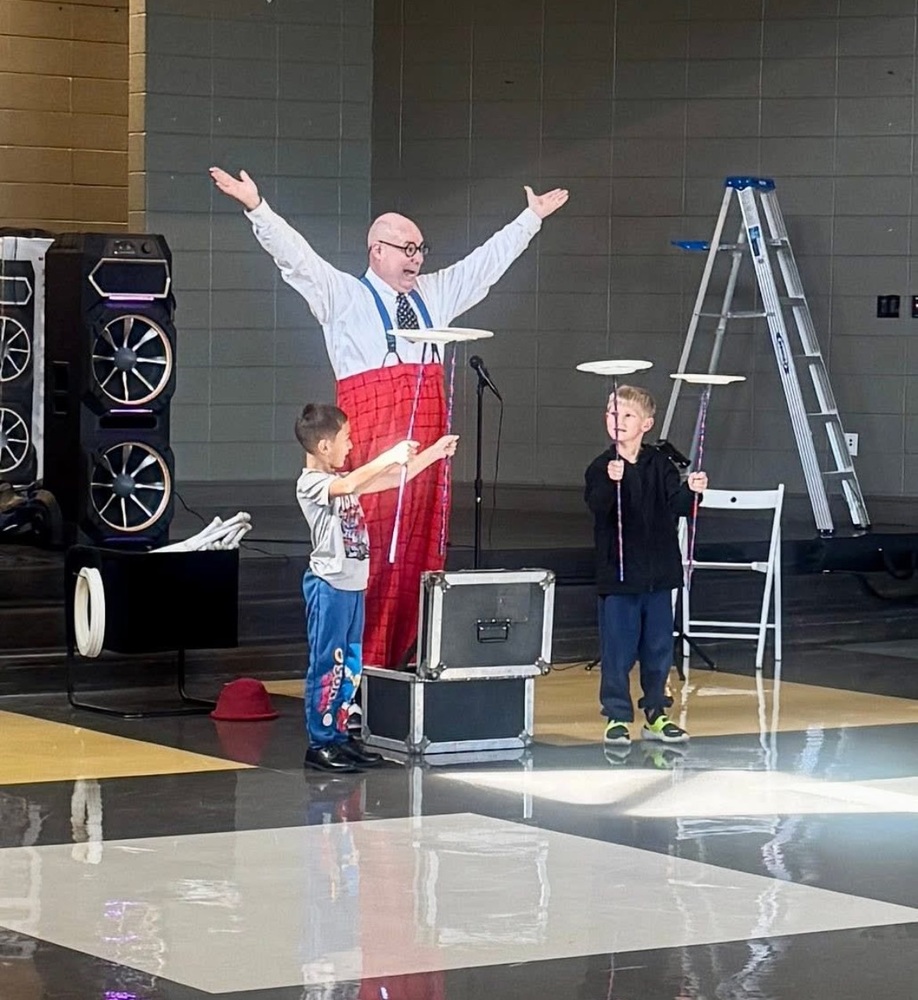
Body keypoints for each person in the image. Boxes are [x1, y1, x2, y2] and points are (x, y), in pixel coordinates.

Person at [209, 165, 568, 670]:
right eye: (407, 249)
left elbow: (485, 265)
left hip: (423, 444)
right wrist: (258, 208)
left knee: (419, 557)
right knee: (369, 556)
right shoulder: (344, 297)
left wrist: (528, 219)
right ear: (377, 250)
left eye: (420, 249)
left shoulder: (434, 296)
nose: (416, 259)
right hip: (371, 439)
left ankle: (400, 663)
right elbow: (296, 260)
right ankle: (355, 670)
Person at [295, 402, 458, 772]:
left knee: (351, 664)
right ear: (324, 446)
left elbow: (392, 479)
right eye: (346, 439)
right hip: (329, 587)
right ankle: (319, 743)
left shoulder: (341, 481)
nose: (351, 446)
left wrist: (433, 453)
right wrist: (388, 454)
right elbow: (350, 483)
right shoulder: (313, 484)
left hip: (353, 587)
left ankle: (339, 736)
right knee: (328, 665)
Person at [583, 385, 707, 748]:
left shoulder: (661, 465)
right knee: (617, 651)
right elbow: (598, 506)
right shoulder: (600, 466)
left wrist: (694, 490)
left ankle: (656, 712)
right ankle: (617, 716)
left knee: (657, 649)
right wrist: (612, 481)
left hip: (658, 575)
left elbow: (679, 506)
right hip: (619, 576)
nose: (617, 421)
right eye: (612, 414)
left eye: (627, 415)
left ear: (647, 424)